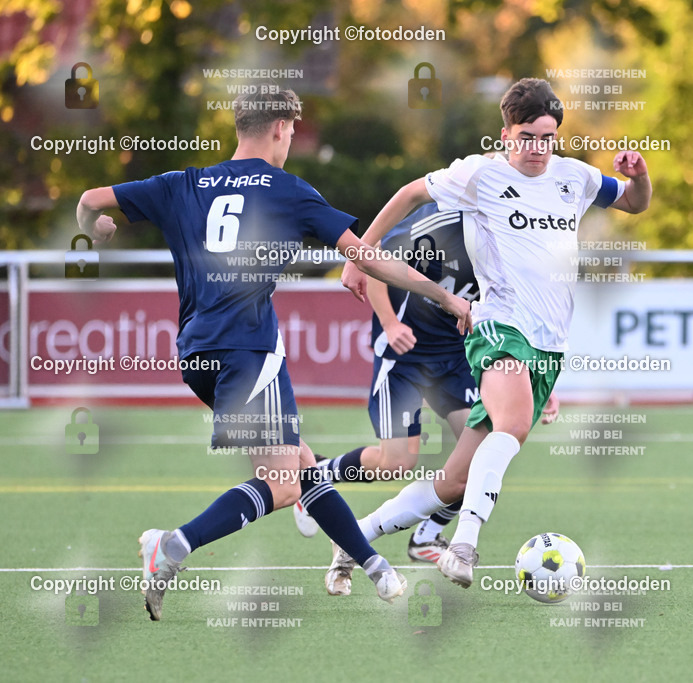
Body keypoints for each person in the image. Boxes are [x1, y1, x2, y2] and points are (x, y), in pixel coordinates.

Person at [74, 87, 472, 619]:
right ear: (282, 127)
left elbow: (90, 202)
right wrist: (444, 295)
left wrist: (94, 229)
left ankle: (374, 566)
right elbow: (370, 260)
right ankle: (172, 546)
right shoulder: (287, 190)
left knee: (304, 465)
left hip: (197, 355)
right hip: (248, 349)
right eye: (292, 131)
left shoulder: (181, 183)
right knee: (282, 483)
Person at [339, 77, 651, 587]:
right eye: (527, 135)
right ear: (505, 134)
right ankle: (464, 544)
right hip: (498, 325)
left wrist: (640, 176)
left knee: (455, 479)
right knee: (515, 424)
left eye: (547, 136)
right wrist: (359, 254)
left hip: (550, 344)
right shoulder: (479, 175)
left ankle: (354, 536)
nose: (537, 148)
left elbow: (636, 204)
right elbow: (409, 193)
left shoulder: (575, 177)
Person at [297, 201, 559, 595]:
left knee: (476, 457)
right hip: (405, 353)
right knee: (397, 462)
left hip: (456, 358)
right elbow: (377, 260)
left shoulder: (517, 243)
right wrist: (389, 323)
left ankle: (427, 537)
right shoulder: (443, 224)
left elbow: (527, 320)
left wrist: (542, 384)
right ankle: (317, 474)